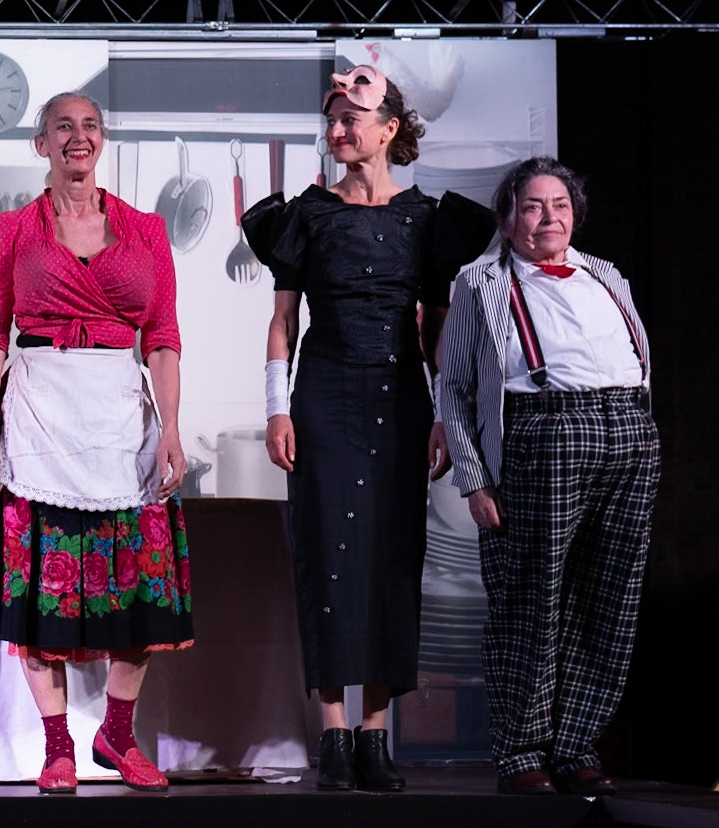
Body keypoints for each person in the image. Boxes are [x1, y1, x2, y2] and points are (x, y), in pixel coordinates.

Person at [242, 65, 492, 792]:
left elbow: (436, 330)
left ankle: (375, 735)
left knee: (391, 553)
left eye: (350, 118)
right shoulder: (306, 214)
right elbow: (283, 321)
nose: (337, 130)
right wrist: (277, 407)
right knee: (326, 551)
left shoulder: (428, 219)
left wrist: (444, 412)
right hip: (324, 394)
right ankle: (333, 733)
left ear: (388, 130)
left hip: (399, 397)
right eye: (332, 119)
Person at [0, 91, 192, 795]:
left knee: (136, 586)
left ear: (102, 140)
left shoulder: (146, 230)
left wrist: (172, 429)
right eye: (62, 126)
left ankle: (117, 733)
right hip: (40, 413)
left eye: (90, 124)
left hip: (121, 416)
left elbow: (162, 338)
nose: (78, 136)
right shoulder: (11, 231)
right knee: (43, 593)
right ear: (41, 144)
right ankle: (58, 745)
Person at [439, 158, 657, 796]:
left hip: (627, 431)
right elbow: (454, 388)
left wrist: (644, 430)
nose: (548, 218)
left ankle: (575, 744)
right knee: (530, 600)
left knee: (608, 599)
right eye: (532, 207)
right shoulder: (480, 282)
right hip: (544, 431)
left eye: (559, 205)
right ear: (508, 219)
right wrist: (474, 479)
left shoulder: (604, 274)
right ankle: (521, 752)